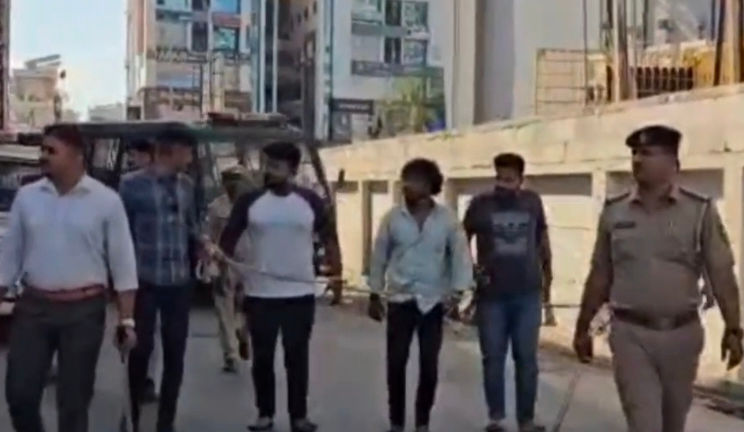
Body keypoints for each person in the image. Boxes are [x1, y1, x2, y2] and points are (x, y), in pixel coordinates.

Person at [573, 125, 743, 432]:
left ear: (672, 163)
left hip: (682, 336)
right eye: (635, 153)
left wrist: (733, 328)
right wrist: (582, 326)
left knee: (673, 424)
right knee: (644, 423)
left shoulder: (699, 211)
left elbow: (722, 272)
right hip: (630, 335)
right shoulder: (615, 211)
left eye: (648, 153)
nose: (638, 160)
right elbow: (600, 274)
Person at [0, 124, 138, 432]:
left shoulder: (106, 201)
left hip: (84, 311)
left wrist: (126, 321)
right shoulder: (27, 197)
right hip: (34, 307)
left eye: (51, 150)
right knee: (20, 394)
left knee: (74, 402)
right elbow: (10, 255)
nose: (43, 156)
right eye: (42, 149)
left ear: (76, 155)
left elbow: (123, 263)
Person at [219, 141, 341, 432]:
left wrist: (336, 277)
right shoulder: (249, 202)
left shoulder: (310, 201)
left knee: (296, 358)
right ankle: (265, 414)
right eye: (266, 164)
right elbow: (228, 240)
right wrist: (222, 270)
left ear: (293, 169)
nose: (268, 171)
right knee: (262, 359)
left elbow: (330, 239)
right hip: (260, 294)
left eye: (275, 165)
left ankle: (299, 416)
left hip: (300, 295)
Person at [367, 158, 472, 432]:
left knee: (429, 367)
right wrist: (374, 293)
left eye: (414, 181)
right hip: (400, 300)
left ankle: (422, 422)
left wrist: (458, 293)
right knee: (396, 364)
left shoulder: (447, 220)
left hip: (433, 303)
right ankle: (396, 422)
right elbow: (379, 256)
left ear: (429, 186)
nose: (407, 186)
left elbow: (460, 257)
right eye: (405, 180)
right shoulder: (392, 218)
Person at [462, 153, 552, 432]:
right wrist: (470, 271)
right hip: (491, 296)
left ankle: (526, 420)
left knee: (527, 359)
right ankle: (496, 419)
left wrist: (548, 280)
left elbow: (542, 241)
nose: (503, 185)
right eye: (499, 178)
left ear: (521, 180)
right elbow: (461, 239)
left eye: (510, 180)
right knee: (493, 358)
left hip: (527, 293)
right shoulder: (480, 204)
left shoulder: (532, 202)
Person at [120, 129, 201, 432]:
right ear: (172, 151)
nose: (190, 159)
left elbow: (190, 225)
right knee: (140, 351)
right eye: (188, 152)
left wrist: (204, 244)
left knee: (175, 354)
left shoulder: (187, 186)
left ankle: (166, 422)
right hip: (145, 280)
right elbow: (121, 233)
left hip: (178, 282)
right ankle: (132, 417)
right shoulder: (131, 185)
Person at [205, 166, 251, 373]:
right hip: (225, 261)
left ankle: (243, 333)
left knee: (252, 306)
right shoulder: (217, 207)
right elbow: (210, 236)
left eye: (237, 181)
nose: (234, 186)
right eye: (229, 182)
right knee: (224, 309)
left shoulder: (254, 206)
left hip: (250, 262)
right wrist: (213, 257)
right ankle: (231, 354)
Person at [125, 138, 161, 403]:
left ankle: (147, 379)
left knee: (151, 331)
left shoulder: (175, 184)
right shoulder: (129, 184)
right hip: (138, 271)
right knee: (141, 329)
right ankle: (139, 379)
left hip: (159, 272)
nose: (133, 160)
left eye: (136, 155)